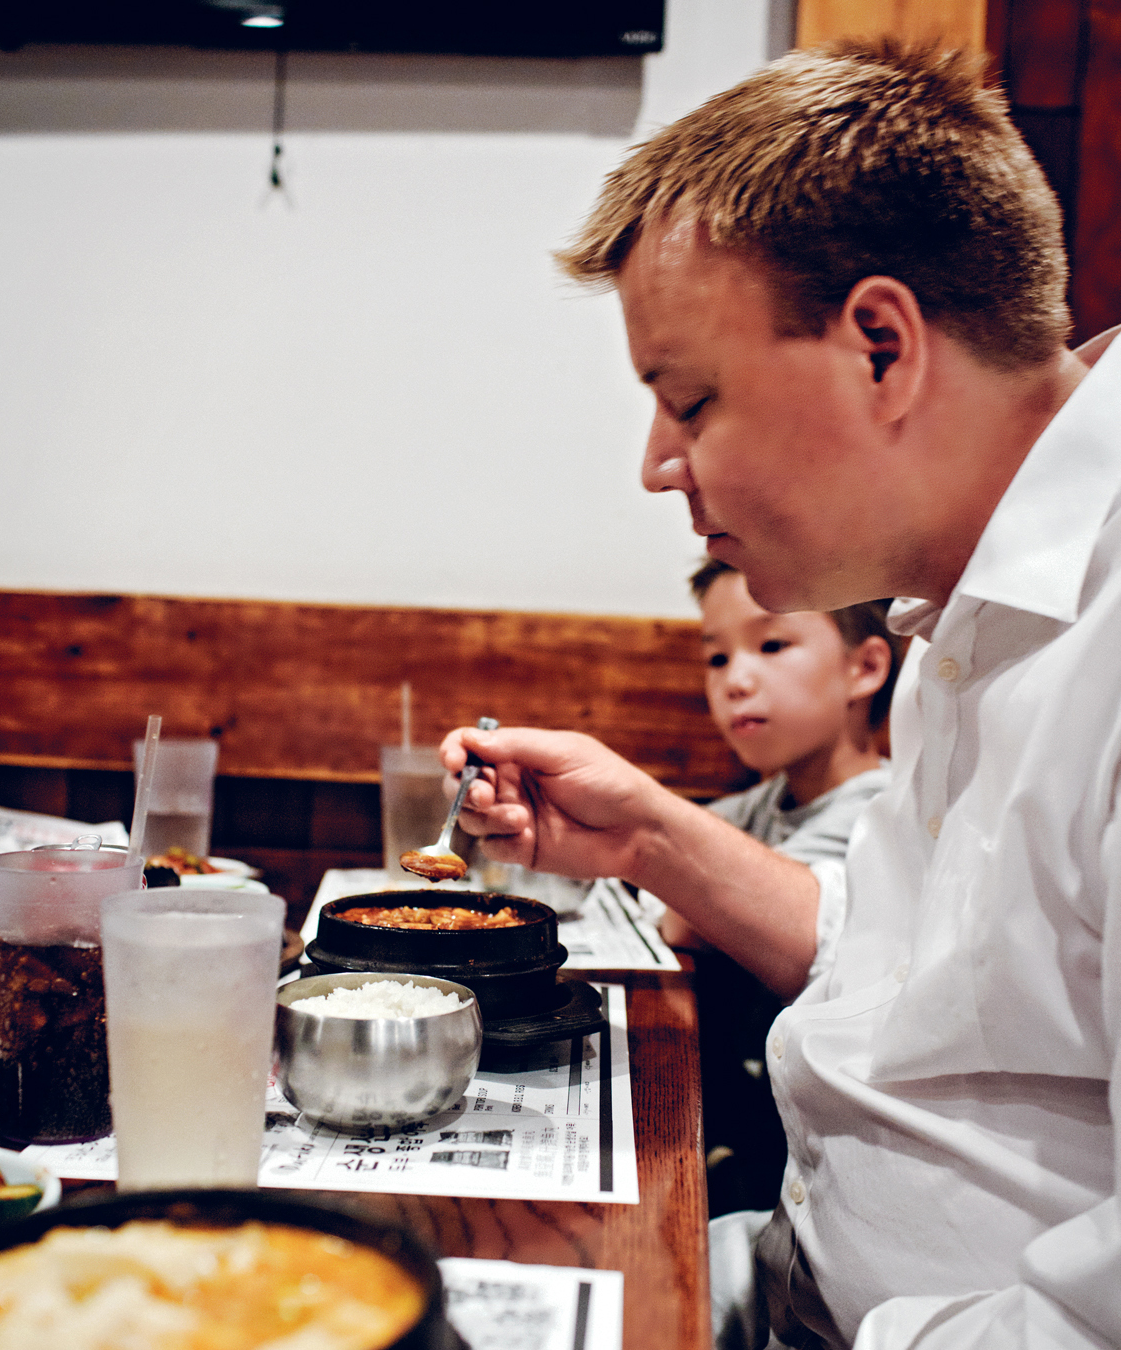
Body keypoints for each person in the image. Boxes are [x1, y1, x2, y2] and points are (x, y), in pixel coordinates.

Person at [439, 39, 1121, 1350]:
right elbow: (929, 958)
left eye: (687, 400)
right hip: (780, 1267)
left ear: (880, 346)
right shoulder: (960, 605)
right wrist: (643, 831)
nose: (656, 465)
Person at [663, 559, 899, 1217]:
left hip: (808, 1167)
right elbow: (664, 882)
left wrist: (675, 880)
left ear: (866, 668)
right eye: (716, 658)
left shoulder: (877, 812)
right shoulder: (770, 802)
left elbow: (686, 913)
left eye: (771, 646)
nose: (736, 680)